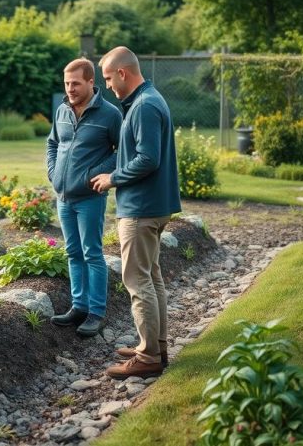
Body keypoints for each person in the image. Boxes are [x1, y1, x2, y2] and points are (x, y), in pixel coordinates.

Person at [91, 46, 181, 379]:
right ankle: (155, 345)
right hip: (153, 206)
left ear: (123, 73)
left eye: (109, 78)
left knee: (137, 280)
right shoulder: (150, 99)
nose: (109, 86)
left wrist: (112, 178)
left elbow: (148, 159)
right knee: (152, 277)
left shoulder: (144, 106)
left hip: (141, 209)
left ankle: (148, 358)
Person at [46, 58, 121, 337]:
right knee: (72, 252)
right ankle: (79, 306)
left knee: (92, 253)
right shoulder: (62, 109)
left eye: (75, 83)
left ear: (91, 82)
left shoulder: (110, 114)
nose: (70, 89)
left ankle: (97, 312)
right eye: (66, 83)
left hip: (90, 197)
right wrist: (53, 173)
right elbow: (53, 143)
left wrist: (95, 174)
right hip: (63, 197)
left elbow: (121, 151)